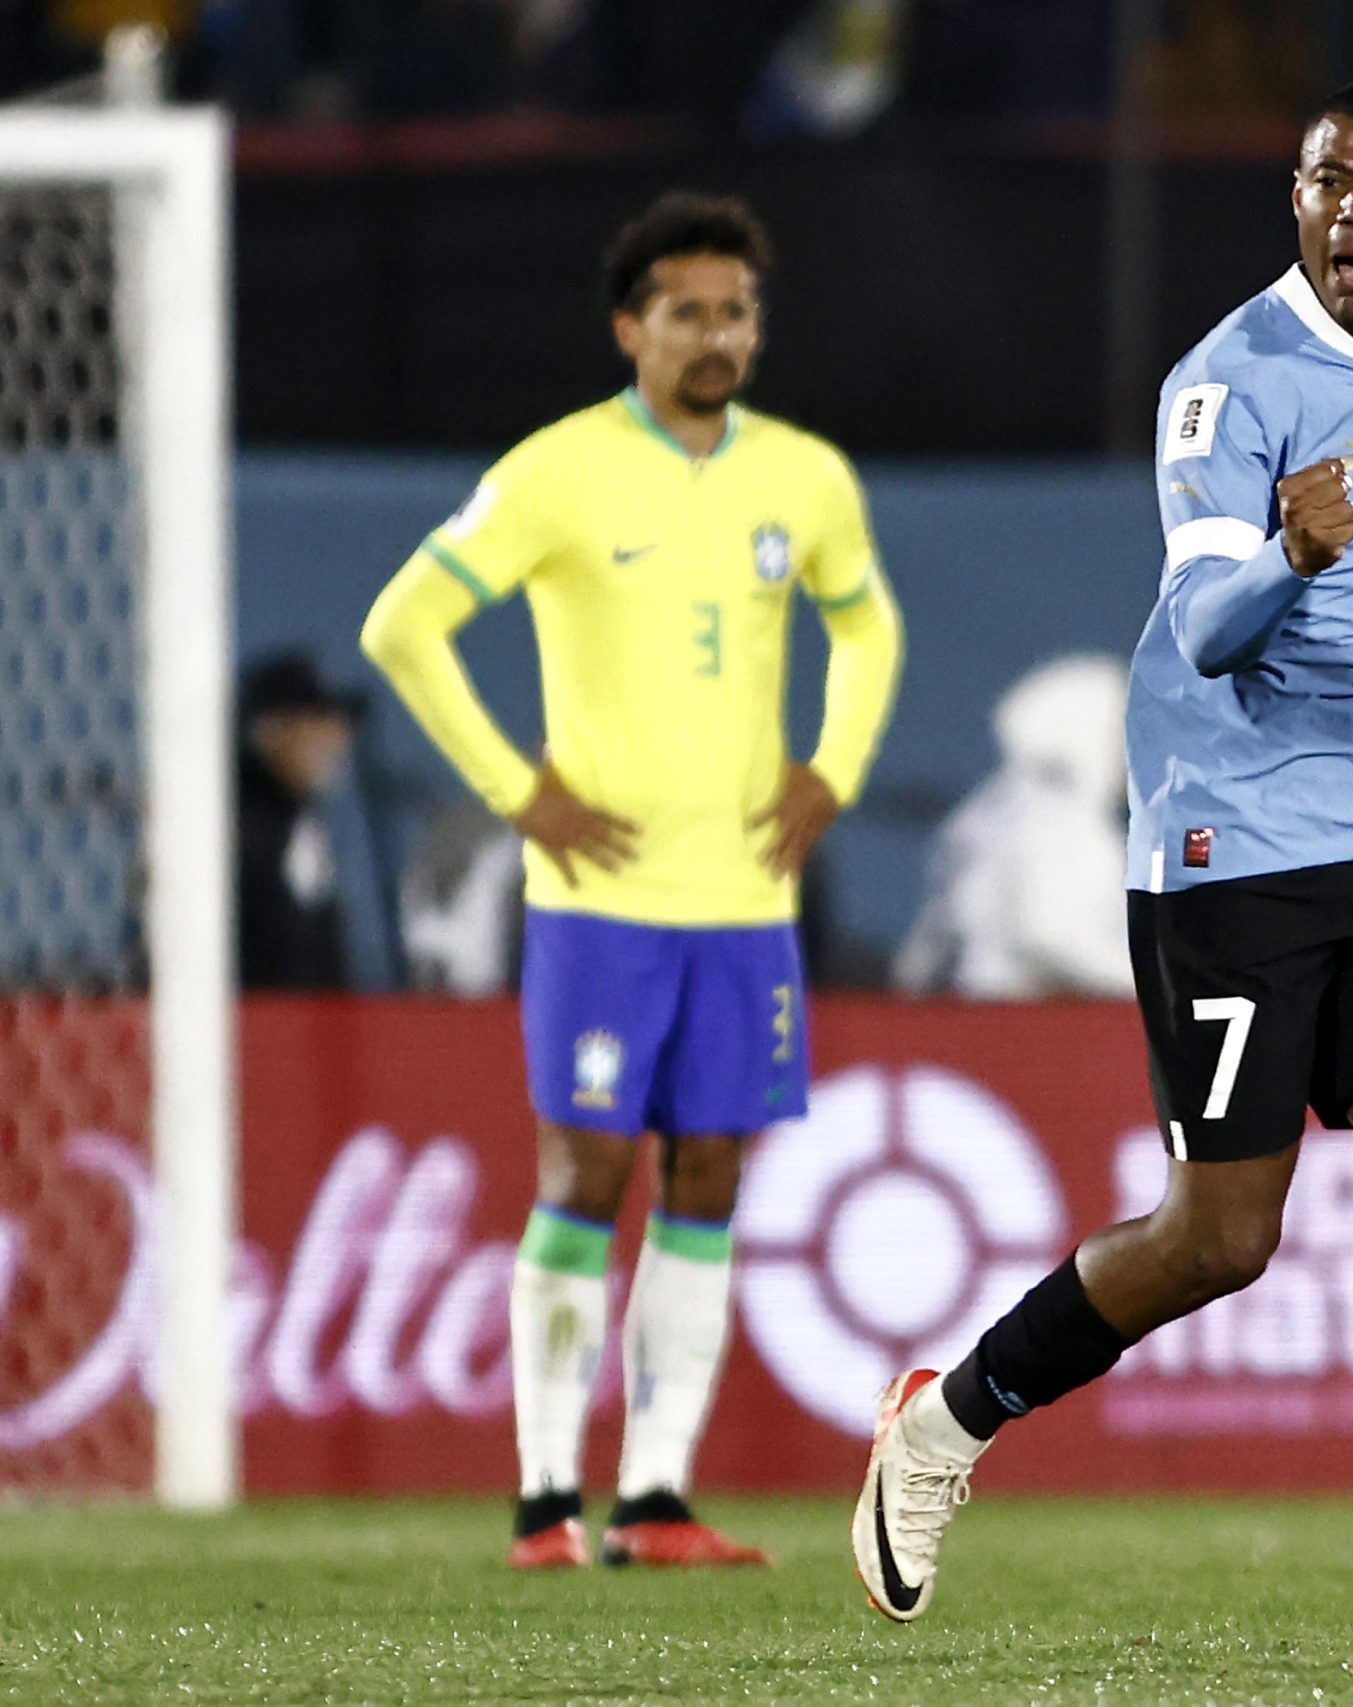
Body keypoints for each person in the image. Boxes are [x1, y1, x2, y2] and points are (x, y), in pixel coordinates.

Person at [848, 77, 1353, 1685]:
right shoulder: (1228, 382)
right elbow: (1206, 630)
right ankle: (947, 1416)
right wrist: (1287, 556)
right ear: (1299, 199)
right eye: (1331, 182)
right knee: (1220, 1234)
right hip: (1233, 837)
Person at [358, 191, 904, 1570]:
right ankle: (547, 1497)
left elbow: (868, 619)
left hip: (744, 901)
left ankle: (654, 1495)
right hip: (598, 897)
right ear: (630, 326)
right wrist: (516, 790)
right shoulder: (556, 471)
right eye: (686, 312)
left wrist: (831, 767)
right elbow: (403, 624)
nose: (716, 335)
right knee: (587, 1168)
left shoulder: (806, 477)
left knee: (708, 1171)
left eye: (735, 311)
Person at [891, 652, 1137, 1001]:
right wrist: (1156, 987)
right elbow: (1051, 935)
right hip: (1008, 1024)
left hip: (960, 1016)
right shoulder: (1057, 815)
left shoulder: (993, 807)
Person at [236, 650, 360, 990]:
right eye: (318, 721)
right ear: (272, 731)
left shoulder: (298, 821)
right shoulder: (237, 828)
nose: (338, 737)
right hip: (255, 1034)